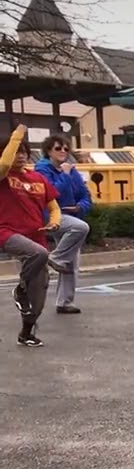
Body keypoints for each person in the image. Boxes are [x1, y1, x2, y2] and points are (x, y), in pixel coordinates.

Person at [1, 127, 60, 347]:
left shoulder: (37, 178)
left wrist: (55, 221)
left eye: (24, 150)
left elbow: (53, 206)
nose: (21, 155)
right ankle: (20, 289)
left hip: (37, 237)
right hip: (7, 232)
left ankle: (26, 333)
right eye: (16, 151)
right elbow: (4, 164)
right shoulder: (3, 174)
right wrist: (16, 135)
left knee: (39, 296)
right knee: (39, 253)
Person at [34, 134, 91, 314]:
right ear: (49, 151)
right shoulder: (42, 170)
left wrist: (79, 207)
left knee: (72, 260)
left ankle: (64, 302)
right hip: (51, 215)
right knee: (81, 227)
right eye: (58, 148)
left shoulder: (71, 170)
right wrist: (65, 174)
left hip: (70, 216)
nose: (63, 152)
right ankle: (56, 257)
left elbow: (85, 196)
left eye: (66, 148)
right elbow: (52, 192)